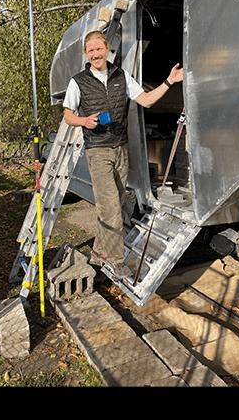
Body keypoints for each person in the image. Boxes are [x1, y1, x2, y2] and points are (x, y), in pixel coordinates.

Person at [62, 30, 183, 279]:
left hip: (121, 149)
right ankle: (116, 262)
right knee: (111, 209)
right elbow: (67, 114)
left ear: (106, 49)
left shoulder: (121, 76)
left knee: (118, 202)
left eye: (99, 49)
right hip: (98, 151)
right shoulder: (78, 81)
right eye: (91, 50)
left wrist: (169, 82)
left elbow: (147, 100)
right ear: (87, 53)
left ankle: (98, 253)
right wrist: (83, 120)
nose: (95, 54)